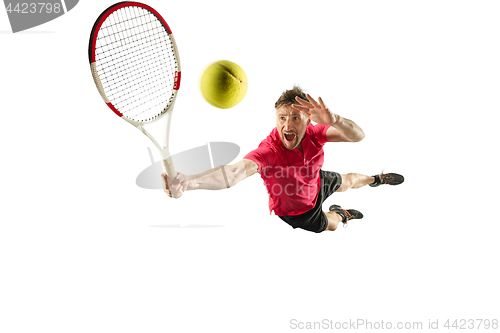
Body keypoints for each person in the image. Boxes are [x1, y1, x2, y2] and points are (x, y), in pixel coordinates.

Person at [162, 86, 404, 233]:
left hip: (315, 182)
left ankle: (376, 179)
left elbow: (358, 136)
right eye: (282, 118)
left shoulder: (315, 134)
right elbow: (233, 173)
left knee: (348, 181)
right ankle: (342, 214)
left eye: (296, 118)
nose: (288, 125)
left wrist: (334, 120)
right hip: (299, 211)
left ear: (309, 120)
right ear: (275, 118)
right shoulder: (269, 152)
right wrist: (190, 182)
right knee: (330, 225)